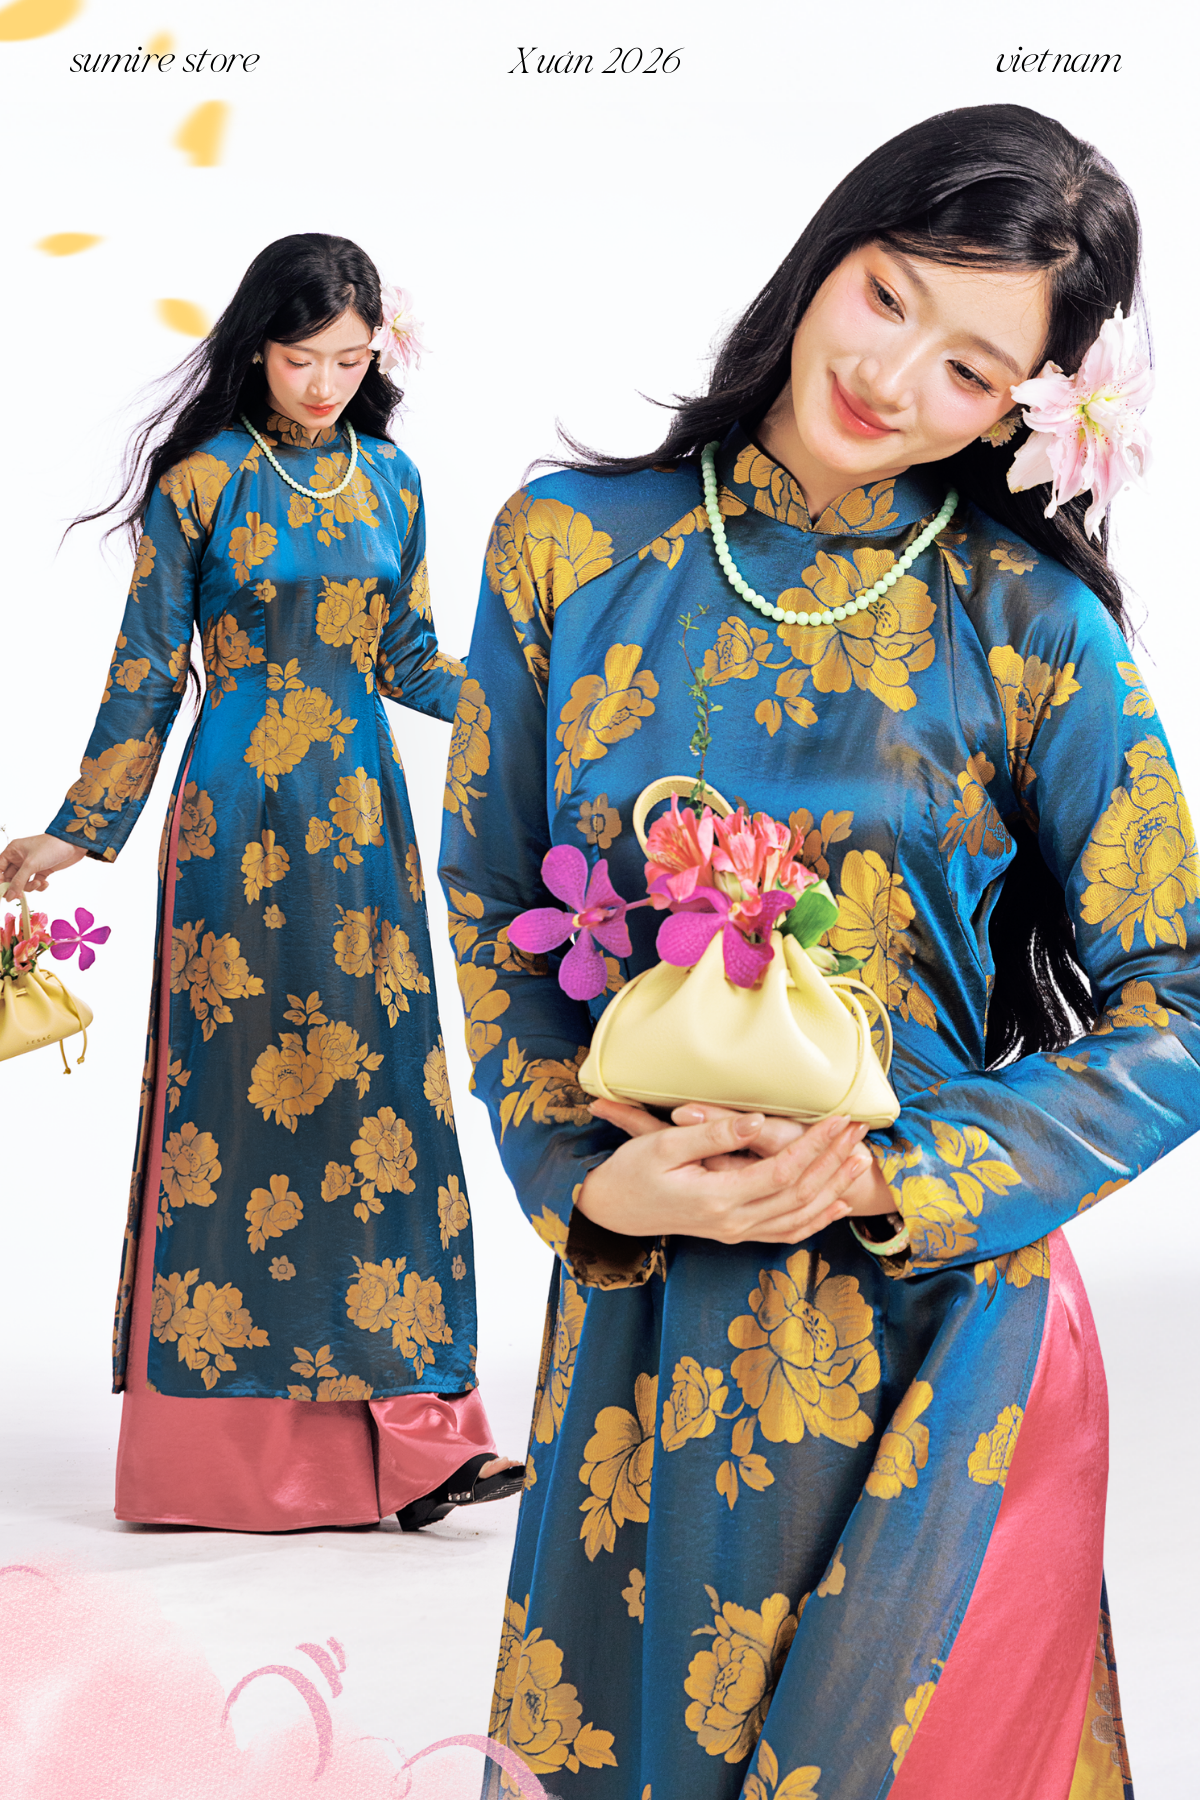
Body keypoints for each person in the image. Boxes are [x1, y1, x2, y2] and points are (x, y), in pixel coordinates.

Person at [438, 105, 1198, 1797]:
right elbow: (493, 889)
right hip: (647, 1316)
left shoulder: (1033, 628)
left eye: (970, 369)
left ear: (1027, 410)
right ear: (828, 252)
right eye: (887, 296)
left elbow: (1188, 998)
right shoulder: (567, 544)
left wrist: (893, 1172)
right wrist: (587, 1181)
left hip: (934, 1338)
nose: (891, 376)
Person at [1, 233, 522, 1533]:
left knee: (384, 1103)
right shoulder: (202, 484)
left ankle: (421, 1441)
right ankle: (221, 1464)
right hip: (234, 824)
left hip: (360, 821)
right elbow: (145, 669)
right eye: (303, 359)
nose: (327, 383)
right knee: (238, 1114)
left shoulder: (391, 478)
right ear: (256, 350)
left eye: (349, 359)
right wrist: (78, 829)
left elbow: (408, 653)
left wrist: (537, 712)